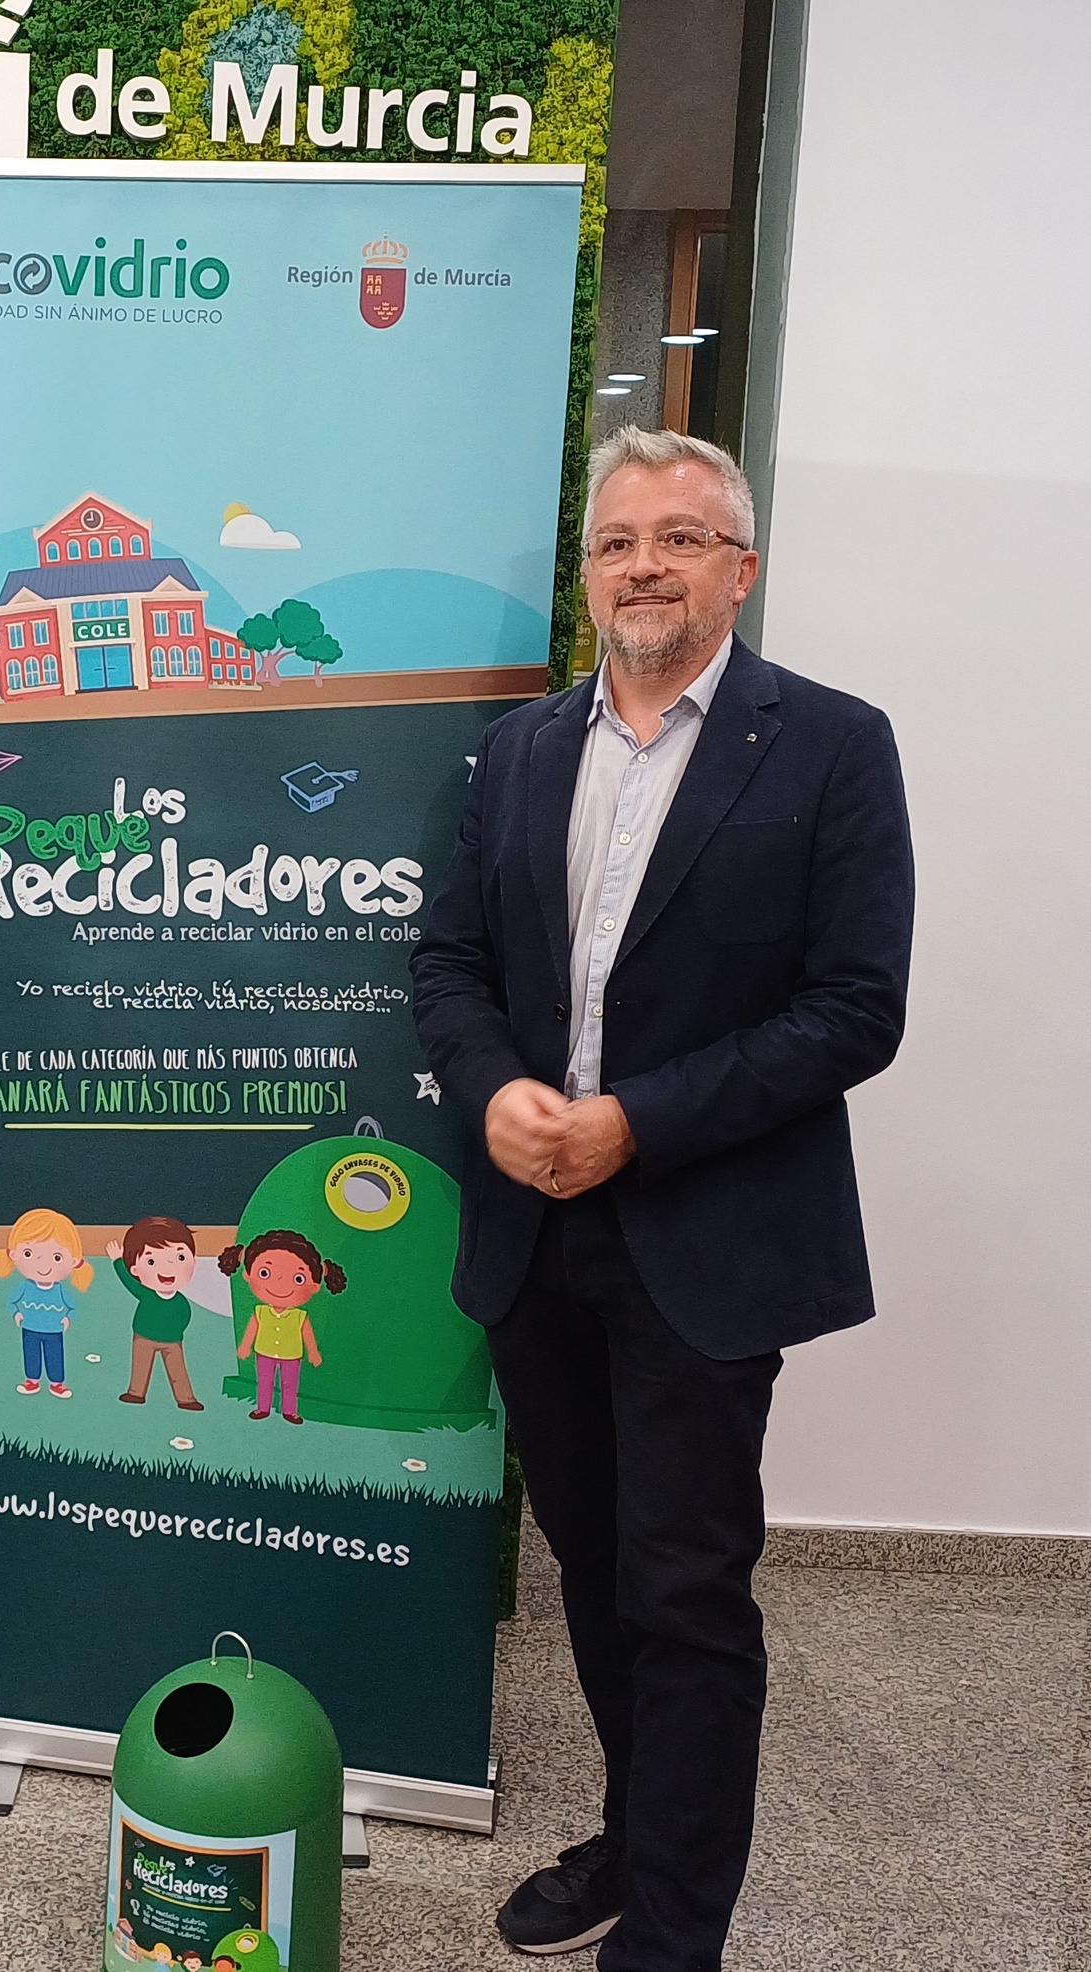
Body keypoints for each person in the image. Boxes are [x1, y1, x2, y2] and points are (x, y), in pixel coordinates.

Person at [411, 428, 914, 1967]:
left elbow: (854, 1008)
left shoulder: (830, 743)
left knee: (688, 1590)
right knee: (596, 1563)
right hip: (532, 1235)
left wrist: (637, 1122)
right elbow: (447, 963)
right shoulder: (518, 750)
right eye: (621, 540)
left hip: (703, 1238)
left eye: (683, 538)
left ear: (739, 568)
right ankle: (639, 1839)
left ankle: (677, 1931)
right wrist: (497, 1088)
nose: (647, 564)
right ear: (586, 577)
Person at [222, 1230, 341, 1424]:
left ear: (314, 1286)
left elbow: (307, 1334)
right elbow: (252, 1329)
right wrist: (245, 1346)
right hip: (264, 1352)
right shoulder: (260, 1311)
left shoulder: (299, 1315)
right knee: (265, 1382)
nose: (279, 1284)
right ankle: (262, 1408)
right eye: (265, 1273)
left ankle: (290, 1411)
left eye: (298, 1279)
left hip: (291, 1354)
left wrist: (313, 1352)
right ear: (248, 1275)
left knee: (289, 1384)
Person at [0, 1207, 95, 1397]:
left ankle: (57, 1383)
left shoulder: (60, 1290)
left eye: (57, 1257)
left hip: (54, 1330)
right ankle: (32, 1380)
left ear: (73, 1261)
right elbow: (11, 1302)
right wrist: (17, 1314)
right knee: (31, 1355)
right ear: (14, 1254)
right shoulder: (25, 1287)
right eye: (29, 1253)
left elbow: (73, 1307)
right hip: (29, 1327)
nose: (43, 1265)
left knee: (54, 1356)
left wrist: (67, 1319)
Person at [108, 1216, 204, 1410]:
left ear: (194, 1263)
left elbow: (184, 1317)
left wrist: (176, 1331)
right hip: (144, 1336)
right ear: (135, 1269)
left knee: (178, 1370)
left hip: (172, 1340)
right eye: (151, 1260)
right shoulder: (145, 1293)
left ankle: (186, 1399)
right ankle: (136, 1393)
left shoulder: (180, 1302)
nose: (167, 1268)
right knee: (141, 1366)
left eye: (180, 1258)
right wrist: (118, 1260)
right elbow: (128, 1282)